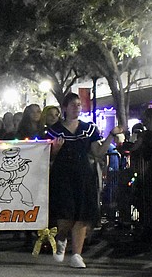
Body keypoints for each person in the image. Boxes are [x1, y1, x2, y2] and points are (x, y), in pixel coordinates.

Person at [47, 93, 123, 268]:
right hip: (62, 175)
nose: (77, 107)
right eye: (73, 104)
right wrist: (55, 149)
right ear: (64, 108)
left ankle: (77, 254)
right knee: (65, 215)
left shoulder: (89, 129)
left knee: (82, 214)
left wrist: (111, 135)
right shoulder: (54, 130)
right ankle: (61, 238)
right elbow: (48, 156)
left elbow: (98, 152)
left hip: (83, 174)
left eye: (79, 105)